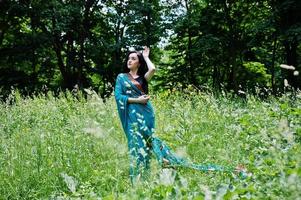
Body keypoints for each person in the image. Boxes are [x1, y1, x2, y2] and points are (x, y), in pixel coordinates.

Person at [114, 46, 247, 185]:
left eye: (133, 58)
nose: (129, 60)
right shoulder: (121, 77)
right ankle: (139, 177)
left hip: (146, 115)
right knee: (135, 144)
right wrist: (137, 100)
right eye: (128, 58)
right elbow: (118, 97)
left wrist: (146, 57)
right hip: (132, 117)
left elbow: (152, 69)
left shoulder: (142, 79)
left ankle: (153, 170)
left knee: (147, 144)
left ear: (139, 63)